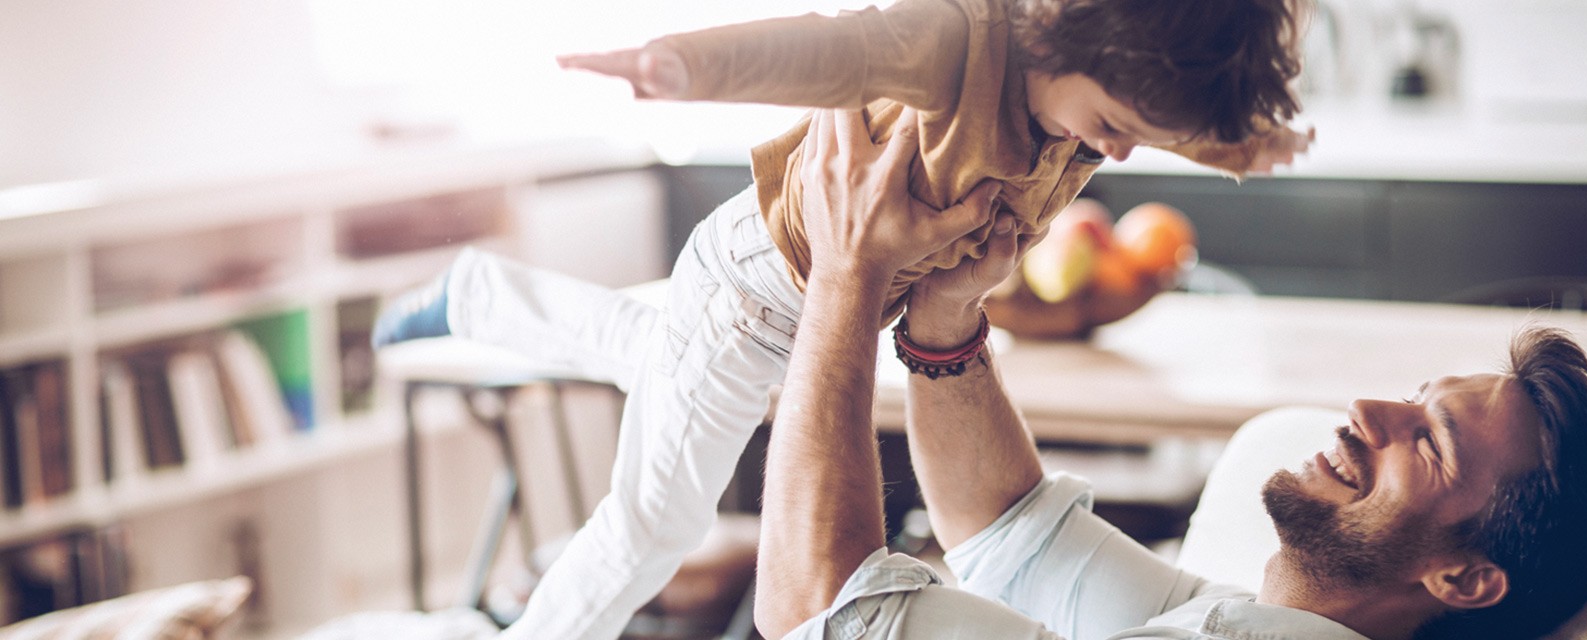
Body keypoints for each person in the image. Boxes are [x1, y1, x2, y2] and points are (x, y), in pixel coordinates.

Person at [374, 1, 1312, 635]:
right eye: (1115, 120)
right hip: (753, 294)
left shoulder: (1097, 98)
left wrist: (1250, 142)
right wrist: (675, 66)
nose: (1114, 147)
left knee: (664, 363)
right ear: (1071, 36)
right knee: (652, 524)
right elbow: (832, 46)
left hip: (799, 319)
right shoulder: (958, 43)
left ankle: (478, 296)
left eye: (1138, 136)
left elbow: (1170, 110)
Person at [754, 108, 1587, 639]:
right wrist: (946, 322)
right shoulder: (1253, 619)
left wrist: (847, 269)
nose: (1369, 412)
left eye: (1430, 444)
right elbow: (1012, 533)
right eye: (1415, 400)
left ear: (1464, 580)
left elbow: (822, 614)